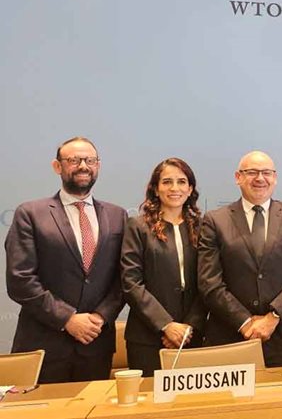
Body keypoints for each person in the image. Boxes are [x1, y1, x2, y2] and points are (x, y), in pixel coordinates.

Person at [5, 137, 127, 383]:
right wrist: (67, 318)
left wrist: (101, 317)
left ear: (98, 165)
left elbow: (124, 277)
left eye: (90, 160)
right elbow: (20, 280)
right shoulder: (30, 214)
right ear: (57, 166)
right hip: (44, 346)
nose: (83, 166)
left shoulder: (118, 216)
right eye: (74, 160)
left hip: (96, 344)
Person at [198, 151, 282, 366]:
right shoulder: (215, 220)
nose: (260, 178)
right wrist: (245, 322)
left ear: (275, 178)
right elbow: (209, 282)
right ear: (238, 177)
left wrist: (272, 317)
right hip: (230, 336)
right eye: (252, 172)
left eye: (266, 172)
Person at [120, 158, 208, 376]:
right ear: (156, 189)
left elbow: (209, 281)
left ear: (190, 189)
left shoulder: (203, 227)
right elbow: (131, 282)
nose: (174, 188)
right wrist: (167, 325)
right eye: (167, 182)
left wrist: (189, 327)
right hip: (148, 337)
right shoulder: (138, 227)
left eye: (181, 181)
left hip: (193, 336)